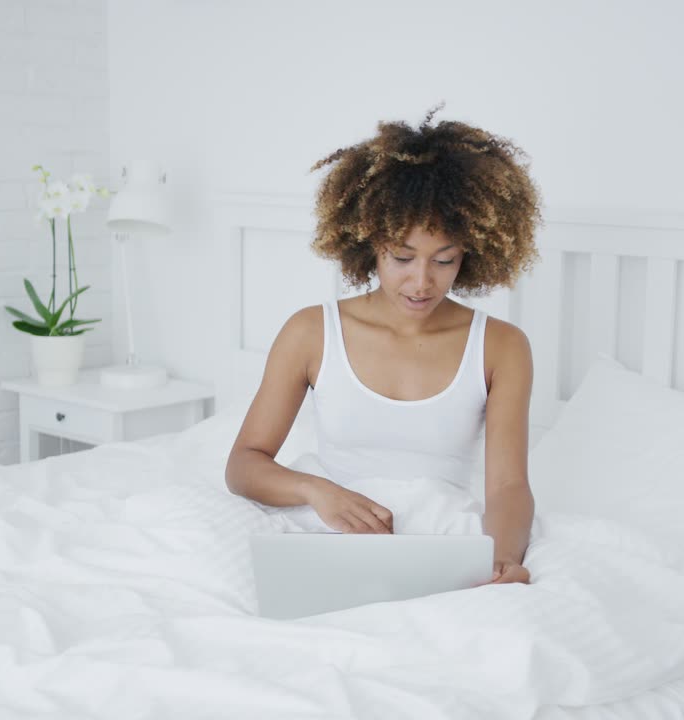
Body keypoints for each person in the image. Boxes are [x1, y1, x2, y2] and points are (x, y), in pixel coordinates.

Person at [225, 105, 543, 585]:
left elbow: (507, 486)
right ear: (368, 240)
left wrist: (498, 558)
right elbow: (243, 465)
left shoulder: (501, 346)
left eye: (444, 260)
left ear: (471, 254)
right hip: (328, 532)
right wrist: (317, 491)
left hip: (441, 537)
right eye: (402, 257)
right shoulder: (311, 332)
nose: (422, 282)